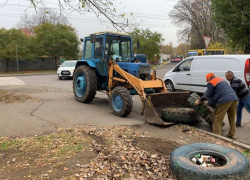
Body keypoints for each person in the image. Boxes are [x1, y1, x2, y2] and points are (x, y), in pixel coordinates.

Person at [197, 73, 238, 139]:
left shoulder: (211, 82)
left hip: (224, 100)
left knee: (218, 118)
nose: (208, 81)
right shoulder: (221, 80)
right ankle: (232, 134)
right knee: (232, 117)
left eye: (207, 80)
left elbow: (208, 95)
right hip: (234, 98)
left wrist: (200, 99)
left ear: (209, 78)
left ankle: (217, 136)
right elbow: (216, 94)